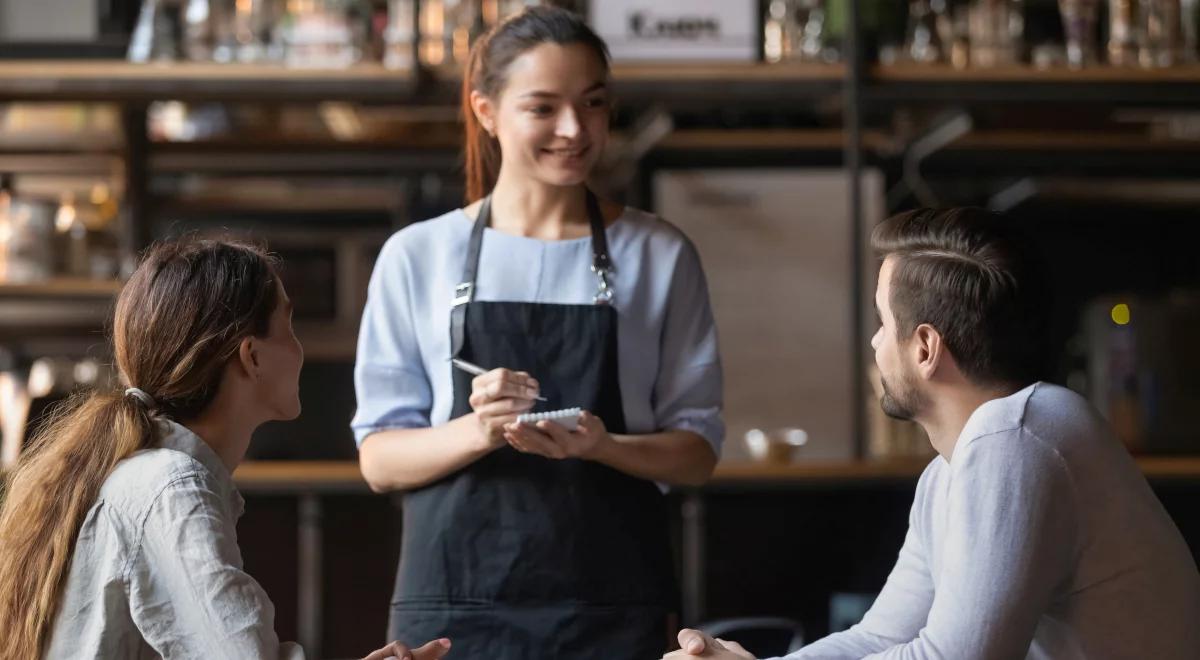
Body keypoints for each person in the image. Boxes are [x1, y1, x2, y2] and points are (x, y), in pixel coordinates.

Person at [352, 6, 724, 659]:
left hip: (613, 604)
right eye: (543, 108)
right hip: (452, 610)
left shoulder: (659, 254)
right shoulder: (418, 256)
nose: (575, 130)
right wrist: (480, 429)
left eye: (594, 104)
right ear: (487, 112)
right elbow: (379, 461)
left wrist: (603, 445)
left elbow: (696, 452)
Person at [668, 207, 1200, 659]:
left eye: (882, 322)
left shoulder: (1014, 437)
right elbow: (878, 636)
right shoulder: (953, 468)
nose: (875, 344)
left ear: (925, 348)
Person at [0, 238, 448, 660]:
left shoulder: (152, 476)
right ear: (251, 356)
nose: (300, 349)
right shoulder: (172, 489)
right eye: (288, 326)